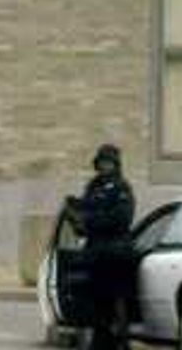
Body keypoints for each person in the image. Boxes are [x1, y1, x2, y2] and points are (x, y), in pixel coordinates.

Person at [62, 144, 139, 346]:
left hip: (116, 253)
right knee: (96, 302)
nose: (105, 167)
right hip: (95, 253)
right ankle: (100, 339)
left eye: (109, 163)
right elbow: (82, 216)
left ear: (116, 164)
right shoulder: (93, 187)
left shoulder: (121, 188)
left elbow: (122, 219)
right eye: (102, 163)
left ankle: (120, 340)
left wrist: (89, 221)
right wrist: (74, 211)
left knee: (117, 300)